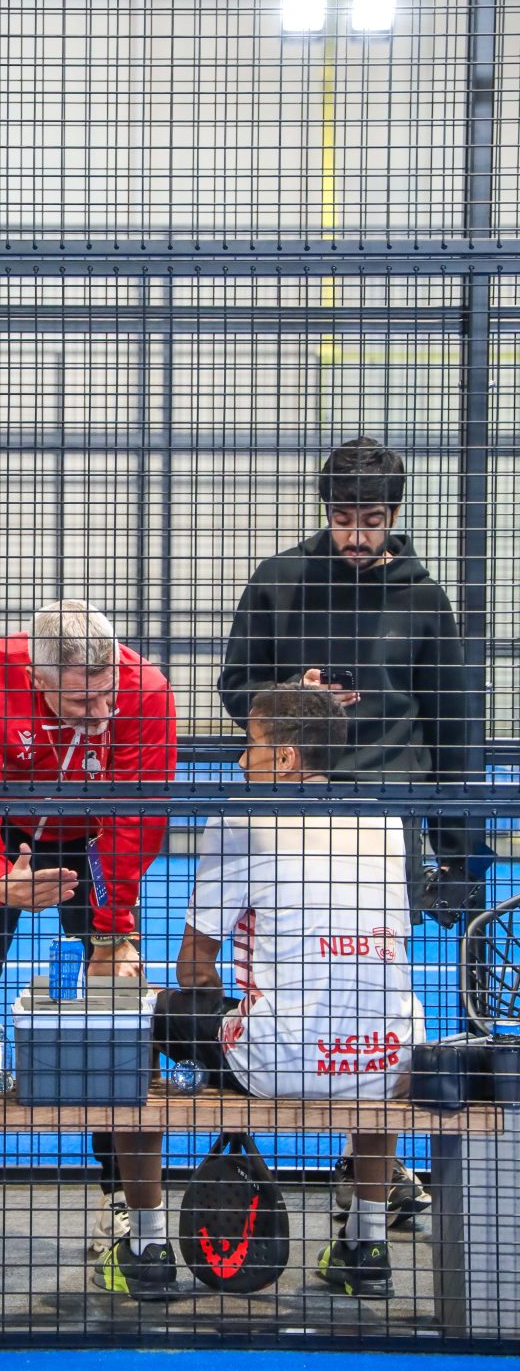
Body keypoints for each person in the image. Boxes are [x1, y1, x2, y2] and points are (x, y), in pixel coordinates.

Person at [218, 435, 489, 1215]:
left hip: (384, 815)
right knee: (284, 975)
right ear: (326, 511)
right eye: (344, 520)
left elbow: (454, 727)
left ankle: (367, 1174)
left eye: (371, 521)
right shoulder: (279, 581)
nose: (357, 537)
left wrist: (461, 852)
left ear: (394, 516)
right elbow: (236, 689)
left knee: (376, 990)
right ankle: (318, 1167)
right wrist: (292, 695)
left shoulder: (422, 599)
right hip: (290, 813)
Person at [154, 683, 424, 1298]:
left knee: (140, 1016)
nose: (239, 759)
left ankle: (141, 1235)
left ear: (285, 758)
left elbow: (194, 966)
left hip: (277, 1060)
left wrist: (219, 1042)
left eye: (249, 745)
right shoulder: (384, 820)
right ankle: (366, 1243)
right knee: (377, 1019)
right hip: (388, 1063)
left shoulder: (242, 820)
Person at [0, 599, 178, 1268]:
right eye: (79, 701)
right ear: (38, 679)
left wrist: (111, 930)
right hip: (5, 836)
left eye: (106, 696)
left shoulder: (147, 690)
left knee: (116, 1013)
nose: (99, 714)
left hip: (96, 839)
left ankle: (127, 1200)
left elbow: (137, 819)